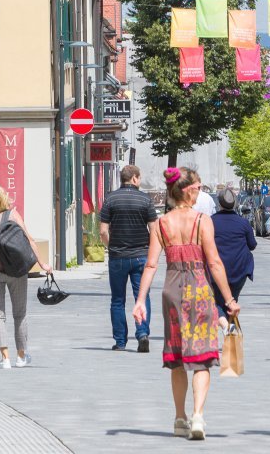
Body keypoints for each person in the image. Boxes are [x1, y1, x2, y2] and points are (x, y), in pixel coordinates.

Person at [132, 166, 241, 441]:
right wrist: (228, 300)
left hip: (172, 290)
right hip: (199, 289)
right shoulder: (202, 220)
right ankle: (198, 416)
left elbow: (151, 264)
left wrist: (140, 300)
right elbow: (214, 262)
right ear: (187, 190)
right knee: (202, 356)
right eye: (198, 188)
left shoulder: (160, 224)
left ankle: (179, 417)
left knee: (177, 358)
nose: (199, 192)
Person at [0, 185, 52, 368]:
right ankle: (21, 356)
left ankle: (5, 358)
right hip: (16, 271)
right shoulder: (13, 215)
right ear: (2, 198)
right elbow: (29, 240)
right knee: (20, 313)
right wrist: (42, 264)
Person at [100, 164, 157, 352]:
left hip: (118, 256)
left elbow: (103, 231)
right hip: (141, 255)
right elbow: (154, 230)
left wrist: (112, 246)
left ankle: (120, 341)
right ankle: (142, 333)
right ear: (134, 178)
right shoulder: (145, 200)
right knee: (142, 296)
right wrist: (151, 252)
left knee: (117, 300)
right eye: (139, 178)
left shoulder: (110, 199)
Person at [211, 188, 257, 329]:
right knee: (232, 299)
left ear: (219, 203)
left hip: (216, 270)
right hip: (239, 270)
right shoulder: (243, 223)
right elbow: (252, 245)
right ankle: (230, 330)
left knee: (215, 302)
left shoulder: (211, 221)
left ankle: (227, 327)